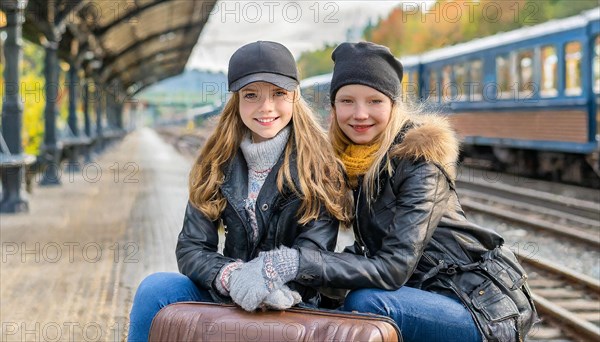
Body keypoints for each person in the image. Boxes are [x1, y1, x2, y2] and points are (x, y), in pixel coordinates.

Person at [231, 42, 538, 342]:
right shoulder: (357, 163)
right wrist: (292, 284)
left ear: (393, 105)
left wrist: (293, 263)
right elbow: (367, 257)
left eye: (374, 101)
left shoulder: (420, 162)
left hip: (478, 307)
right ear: (334, 107)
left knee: (367, 304)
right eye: (347, 101)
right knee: (322, 303)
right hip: (425, 293)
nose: (360, 114)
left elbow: (392, 268)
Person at [126, 41, 351, 341]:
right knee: (154, 290)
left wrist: (267, 286)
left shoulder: (321, 168)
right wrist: (230, 277)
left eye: (278, 93)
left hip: (293, 303)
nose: (266, 106)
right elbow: (192, 248)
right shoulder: (216, 162)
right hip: (228, 293)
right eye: (251, 95)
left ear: (295, 96)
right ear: (236, 101)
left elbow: (313, 256)